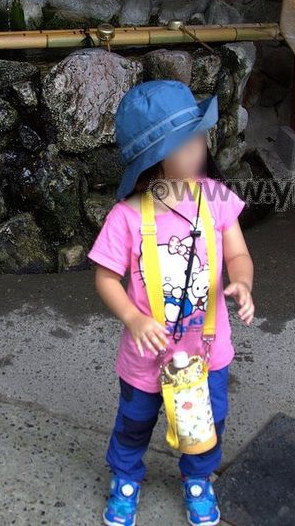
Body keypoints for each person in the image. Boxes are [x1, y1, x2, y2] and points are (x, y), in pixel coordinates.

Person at [88, 79, 255, 526]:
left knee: (208, 421)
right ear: (157, 156)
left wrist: (241, 282)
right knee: (134, 422)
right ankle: (126, 477)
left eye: (200, 134)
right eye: (189, 139)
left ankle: (198, 477)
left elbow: (238, 253)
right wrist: (132, 316)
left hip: (207, 352)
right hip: (145, 356)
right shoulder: (126, 217)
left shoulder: (216, 198)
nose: (201, 145)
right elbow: (105, 276)